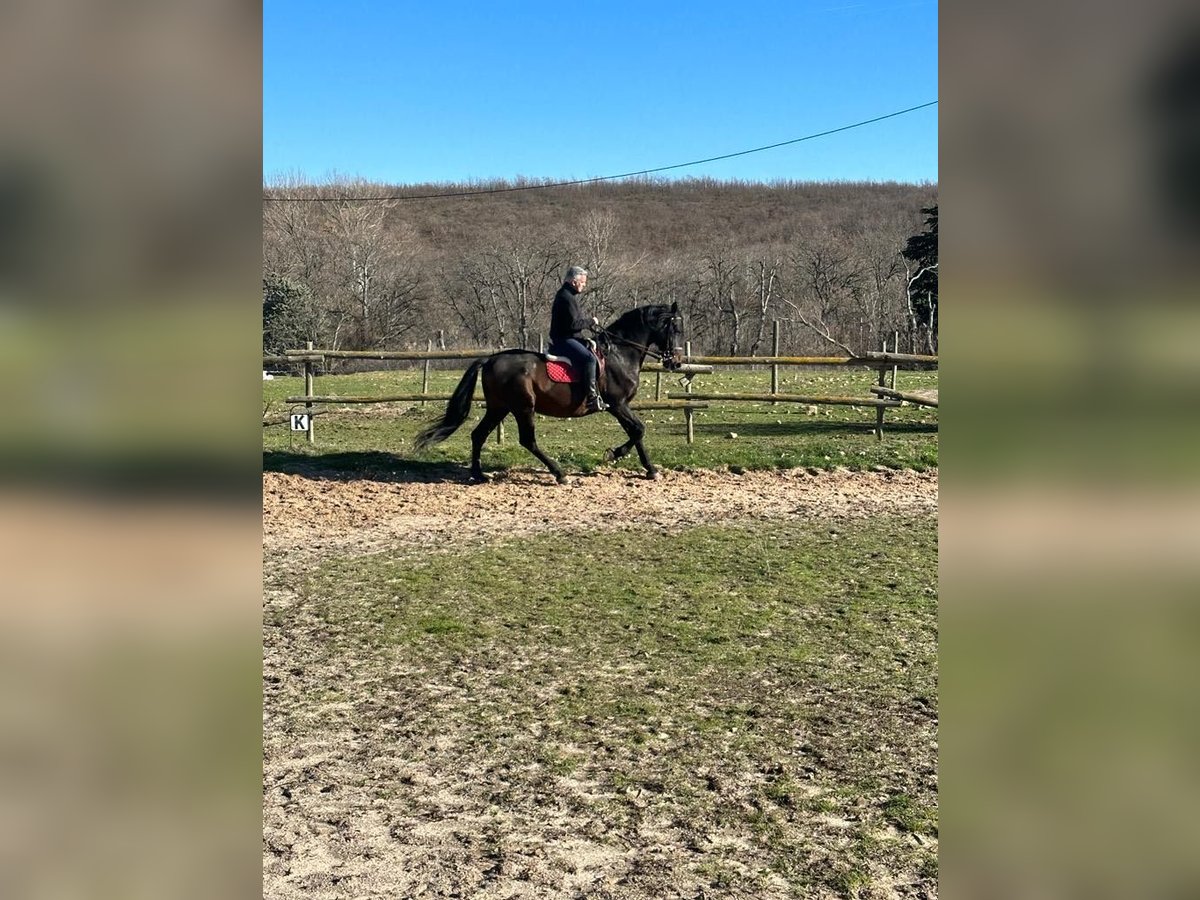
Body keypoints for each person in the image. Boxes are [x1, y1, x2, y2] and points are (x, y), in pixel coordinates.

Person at [548, 265, 606, 411]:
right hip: (564, 340)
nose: (584, 285)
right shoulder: (566, 298)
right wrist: (591, 322)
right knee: (589, 359)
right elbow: (573, 324)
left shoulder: (568, 295)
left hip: (570, 337)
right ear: (574, 281)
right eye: (583, 282)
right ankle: (591, 398)